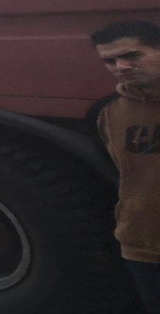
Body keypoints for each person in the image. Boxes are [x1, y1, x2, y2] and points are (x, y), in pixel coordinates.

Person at [90, 20, 160, 313]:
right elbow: (120, 174)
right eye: (110, 61)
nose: (120, 66)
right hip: (143, 245)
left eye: (132, 55)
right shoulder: (106, 112)